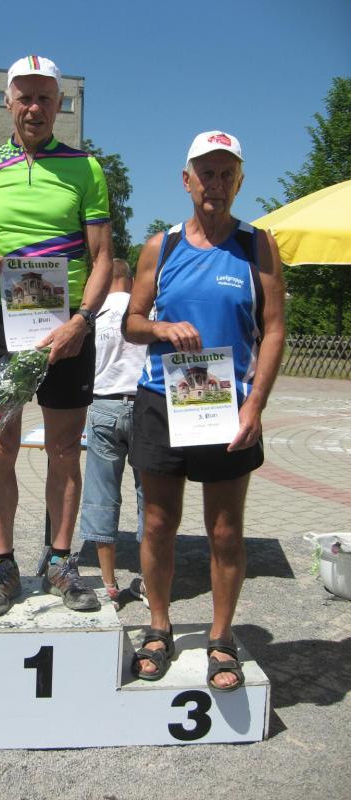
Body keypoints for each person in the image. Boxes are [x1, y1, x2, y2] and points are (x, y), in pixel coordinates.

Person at [0, 55, 113, 616]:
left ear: (59, 103)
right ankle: (3, 563)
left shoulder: (86, 168)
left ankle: (61, 560)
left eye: (45, 97)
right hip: (0, 320)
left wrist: (82, 322)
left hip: (66, 324)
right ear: (8, 101)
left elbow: (103, 257)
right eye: (25, 96)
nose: (34, 107)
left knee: (65, 447)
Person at [124, 131, 285, 690]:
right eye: (206, 173)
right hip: (161, 400)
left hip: (227, 406)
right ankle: (158, 627)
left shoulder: (258, 246)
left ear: (239, 182)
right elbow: (131, 323)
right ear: (186, 180)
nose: (216, 184)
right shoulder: (161, 246)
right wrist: (162, 328)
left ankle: (220, 639)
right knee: (158, 523)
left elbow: (274, 329)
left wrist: (255, 404)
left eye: (226, 174)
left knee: (225, 531)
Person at [79, 258, 146, 608]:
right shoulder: (146, 311)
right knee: (150, 496)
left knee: (101, 495)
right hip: (146, 408)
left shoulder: (91, 317)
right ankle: (150, 581)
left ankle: (109, 585)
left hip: (104, 406)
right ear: (131, 280)